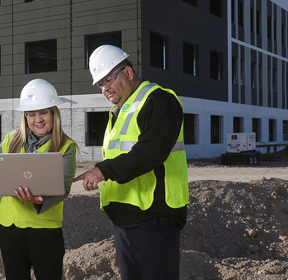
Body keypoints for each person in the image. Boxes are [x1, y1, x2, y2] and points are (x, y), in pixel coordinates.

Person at [73, 45, 189, 280]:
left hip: (154, 217)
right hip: (125, 219)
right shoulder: (121, 111)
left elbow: (151, 151)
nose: (105, 88)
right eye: (101, 84)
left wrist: (103, 171)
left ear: (128, 73)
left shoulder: (159, 100)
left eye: (109, 79)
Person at [0, 78, 77, 280]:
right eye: (31, 114)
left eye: (43, 112)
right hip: (10, 229)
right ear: (25, 117)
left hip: (45, 230)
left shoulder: (66, 146)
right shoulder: (11, 139)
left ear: (54, 113)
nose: (38, 119)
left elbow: (65, 187)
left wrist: (38, 200)